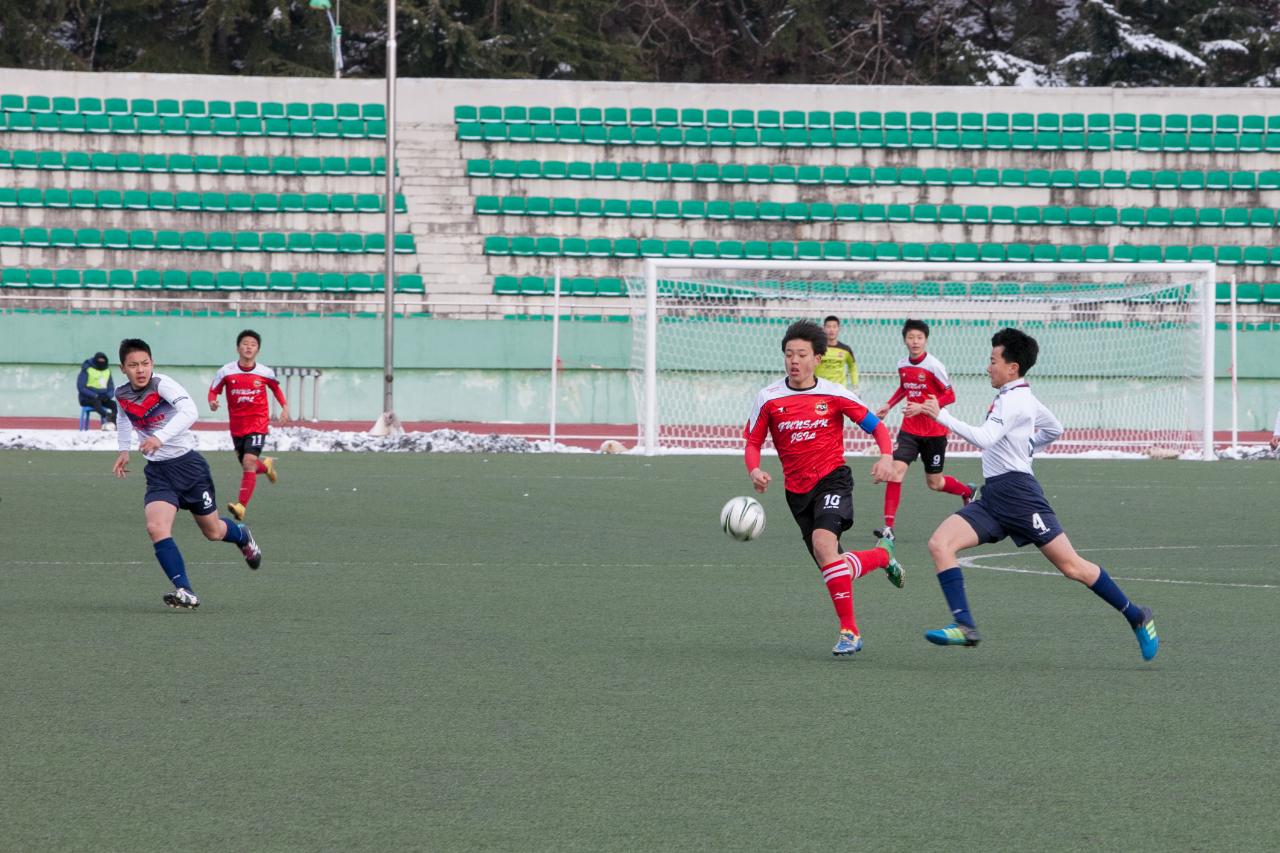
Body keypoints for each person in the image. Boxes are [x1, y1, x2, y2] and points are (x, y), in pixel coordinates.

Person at [904, 327, 1159, 661]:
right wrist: (1027, 446)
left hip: (1021, 496)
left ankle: (1137, 616)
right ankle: (965, 626)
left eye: (993, 360)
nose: (988, 367)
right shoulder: (1021, 396)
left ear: (1012, 367)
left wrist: (942, 415)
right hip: (995, 496)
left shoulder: (1015, 400)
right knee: (940, 544)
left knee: (1072, 567)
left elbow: (984, 438)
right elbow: (1055, 429)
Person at [744, 320, 903, 657]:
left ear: (817, 358)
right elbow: (753, 441)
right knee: (833, 564)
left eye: (801, 354)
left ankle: (850, 632)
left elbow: (877, 427)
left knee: (823, 544)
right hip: (796, 491)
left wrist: (887, 456)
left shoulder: (834, 393)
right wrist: (755, 469)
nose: (794, 361)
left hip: (833, 478)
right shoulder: (769, 397)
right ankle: (882, 555)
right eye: (789, 354)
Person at [113, 338, 262, 609]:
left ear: (152, 363)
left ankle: (242, 535)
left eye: (145, 363)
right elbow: (123, 417)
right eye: (133, 365)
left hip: (189, 468)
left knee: (213, 532)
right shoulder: (121, 393)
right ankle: (185, 590)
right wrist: (124, 450)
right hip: (159, 472)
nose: (140, 369)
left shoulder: (162, 385)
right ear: (123, 368)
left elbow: (190, 411)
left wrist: (159, 437)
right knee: (156, 527)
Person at [873, 320, 974, 541]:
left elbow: (950, 395)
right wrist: (888, 405)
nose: (915, 341)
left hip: (935, 433)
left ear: (925, 340)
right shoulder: (902, 364)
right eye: (911, 337)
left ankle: (968, 492)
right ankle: (888, 528)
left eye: (919, 337)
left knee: (935, 483)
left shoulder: (934, 366)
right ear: (905, 340)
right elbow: (904, 387)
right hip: (909, 430)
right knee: (895, 472)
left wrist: (923, 407)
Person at [208, 330, 288, 521]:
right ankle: (266, 467)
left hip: (258, 423)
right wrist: (212, 402)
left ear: (257, 349)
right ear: (238, 348)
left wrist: (284, 407)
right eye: (245, 343)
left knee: (248, 463)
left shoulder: (265, 372)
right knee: (249, 465)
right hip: (237, 426)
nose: (248, 347)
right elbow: (213, 391)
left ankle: (241, 506)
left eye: (253, 344)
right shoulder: (226, 371)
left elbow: (276, 389)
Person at [814, 315, 858, 391]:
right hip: (820, 389)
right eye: (828, 327)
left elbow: (853, 367)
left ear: (839, 329)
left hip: (839, 391)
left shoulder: (846, 349)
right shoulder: (817, 349)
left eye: (834, 327)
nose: (831, 330)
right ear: (824, 328)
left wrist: (855, 386)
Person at [76, 351, 117, 430]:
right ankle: (107, 417)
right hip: (87, 398)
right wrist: (95, 395)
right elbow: (81, 387)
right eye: (99, 361)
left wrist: (108, 396)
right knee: (96, 401)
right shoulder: (87, 369)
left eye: (103, 361)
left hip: (102, 398)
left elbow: (111, 388)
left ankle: (115, 424)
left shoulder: (107, 371)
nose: (101, 363)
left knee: (115, 405)